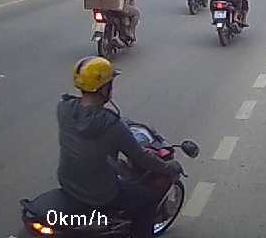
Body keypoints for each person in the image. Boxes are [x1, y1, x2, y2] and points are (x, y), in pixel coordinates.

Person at [58, 57, 182, 238]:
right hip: (99, 193)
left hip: (67, 181)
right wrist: (169, 167)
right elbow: (141, 158)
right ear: (104, 88)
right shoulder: (111, 125)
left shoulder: (63, 109)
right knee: (148, 200)